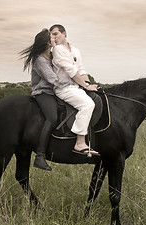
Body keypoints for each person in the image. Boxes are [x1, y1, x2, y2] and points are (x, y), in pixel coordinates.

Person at [50, 24, 100, 156]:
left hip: (76, 86)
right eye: (51, 35)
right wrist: (86, 86)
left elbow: (81, 68)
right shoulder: (57, 49)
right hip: (64, 88)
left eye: (55, 34)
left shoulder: (75, 50)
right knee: (87, 104)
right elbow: (71, 70)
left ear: (64, 33)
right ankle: (80, 142)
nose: (53, 37)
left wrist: (89, 83)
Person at [20, 29, 58, 171]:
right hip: (44, 93)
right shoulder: (40, 60)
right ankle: (40, 156)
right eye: (52, 36)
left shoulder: (52, 56)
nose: (55, 37)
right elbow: (53, 79)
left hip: (55, 92)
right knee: (52, 118)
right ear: (47, 42)